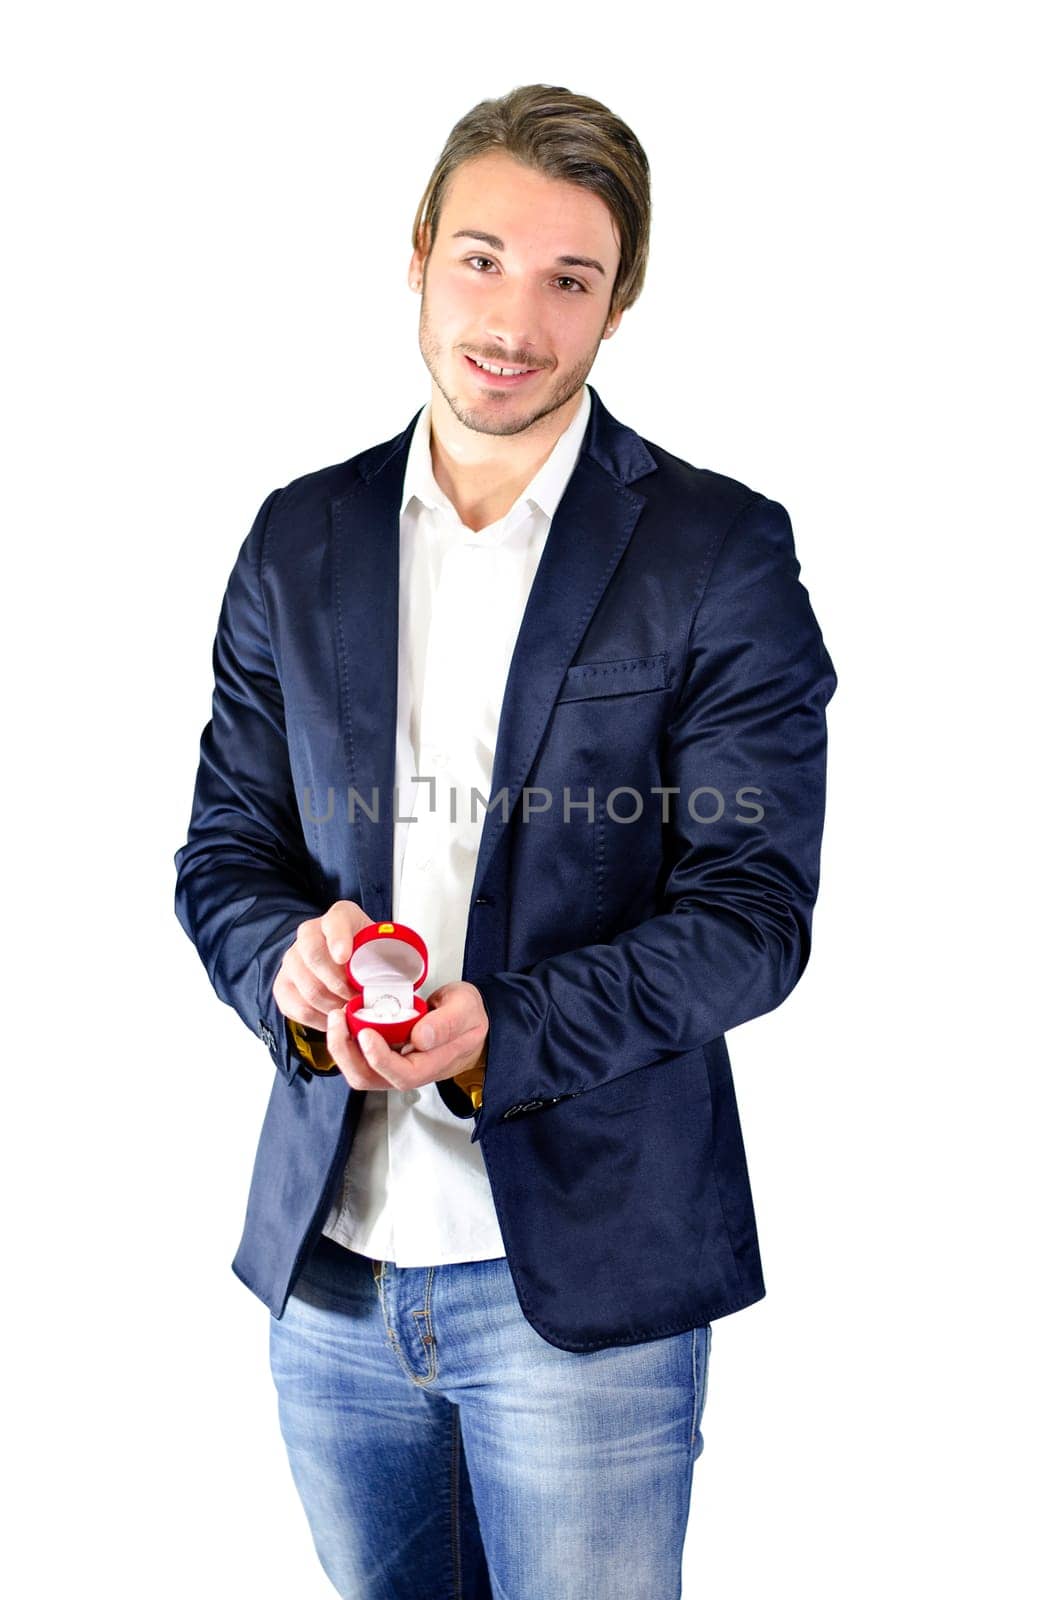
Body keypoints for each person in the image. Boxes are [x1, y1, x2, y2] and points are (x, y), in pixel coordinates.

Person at [174, 82, 838, 1600]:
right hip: (327, 1275)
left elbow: (753, 911)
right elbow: (225, 848)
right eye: (482, 259)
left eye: (569, 278)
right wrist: (286, 961)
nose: (515, 320)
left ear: (621, 301)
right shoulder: (300, 537)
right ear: (415, 256)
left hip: (585, 1291)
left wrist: (500, 1033)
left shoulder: (717, 552)